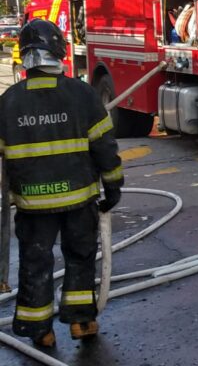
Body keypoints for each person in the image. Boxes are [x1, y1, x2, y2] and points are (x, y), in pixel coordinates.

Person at [0, 19, 123, 346]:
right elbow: (104, 146)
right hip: (78, 200)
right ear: (58, 51)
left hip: (32, 203)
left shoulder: (8, 101)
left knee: (35, 261)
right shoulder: (81, 93)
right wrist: (113, 186)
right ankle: (81, 322)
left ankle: (40, 331)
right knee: (80, 257)